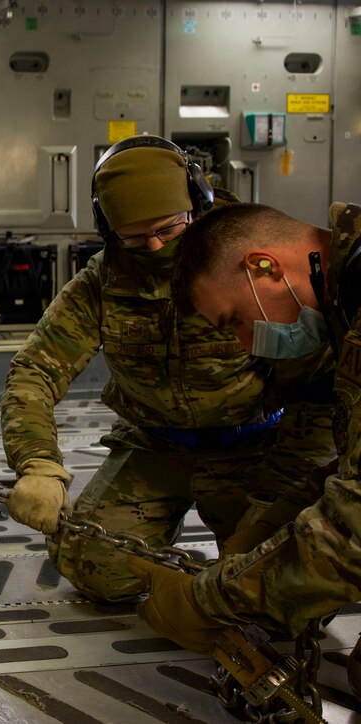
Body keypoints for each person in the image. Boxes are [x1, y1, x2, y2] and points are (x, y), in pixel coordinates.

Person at [0, 135, 336, 604]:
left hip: (255, 448)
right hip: (155, 446)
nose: (155, 246)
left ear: (196, 204)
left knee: (284, 584)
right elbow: (35, 370)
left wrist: (280, 497)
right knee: (94, 567)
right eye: (135, 238)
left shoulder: (248, 267)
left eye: (169, 229)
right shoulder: (103, 283)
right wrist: (37, 463)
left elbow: (316, 396)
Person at [132, 202, 361, 682]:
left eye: (233, 319)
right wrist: (265, 534)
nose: (242, 344)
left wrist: (209, 599)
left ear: (265, 267)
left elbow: (352, 532)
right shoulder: (347, 299)